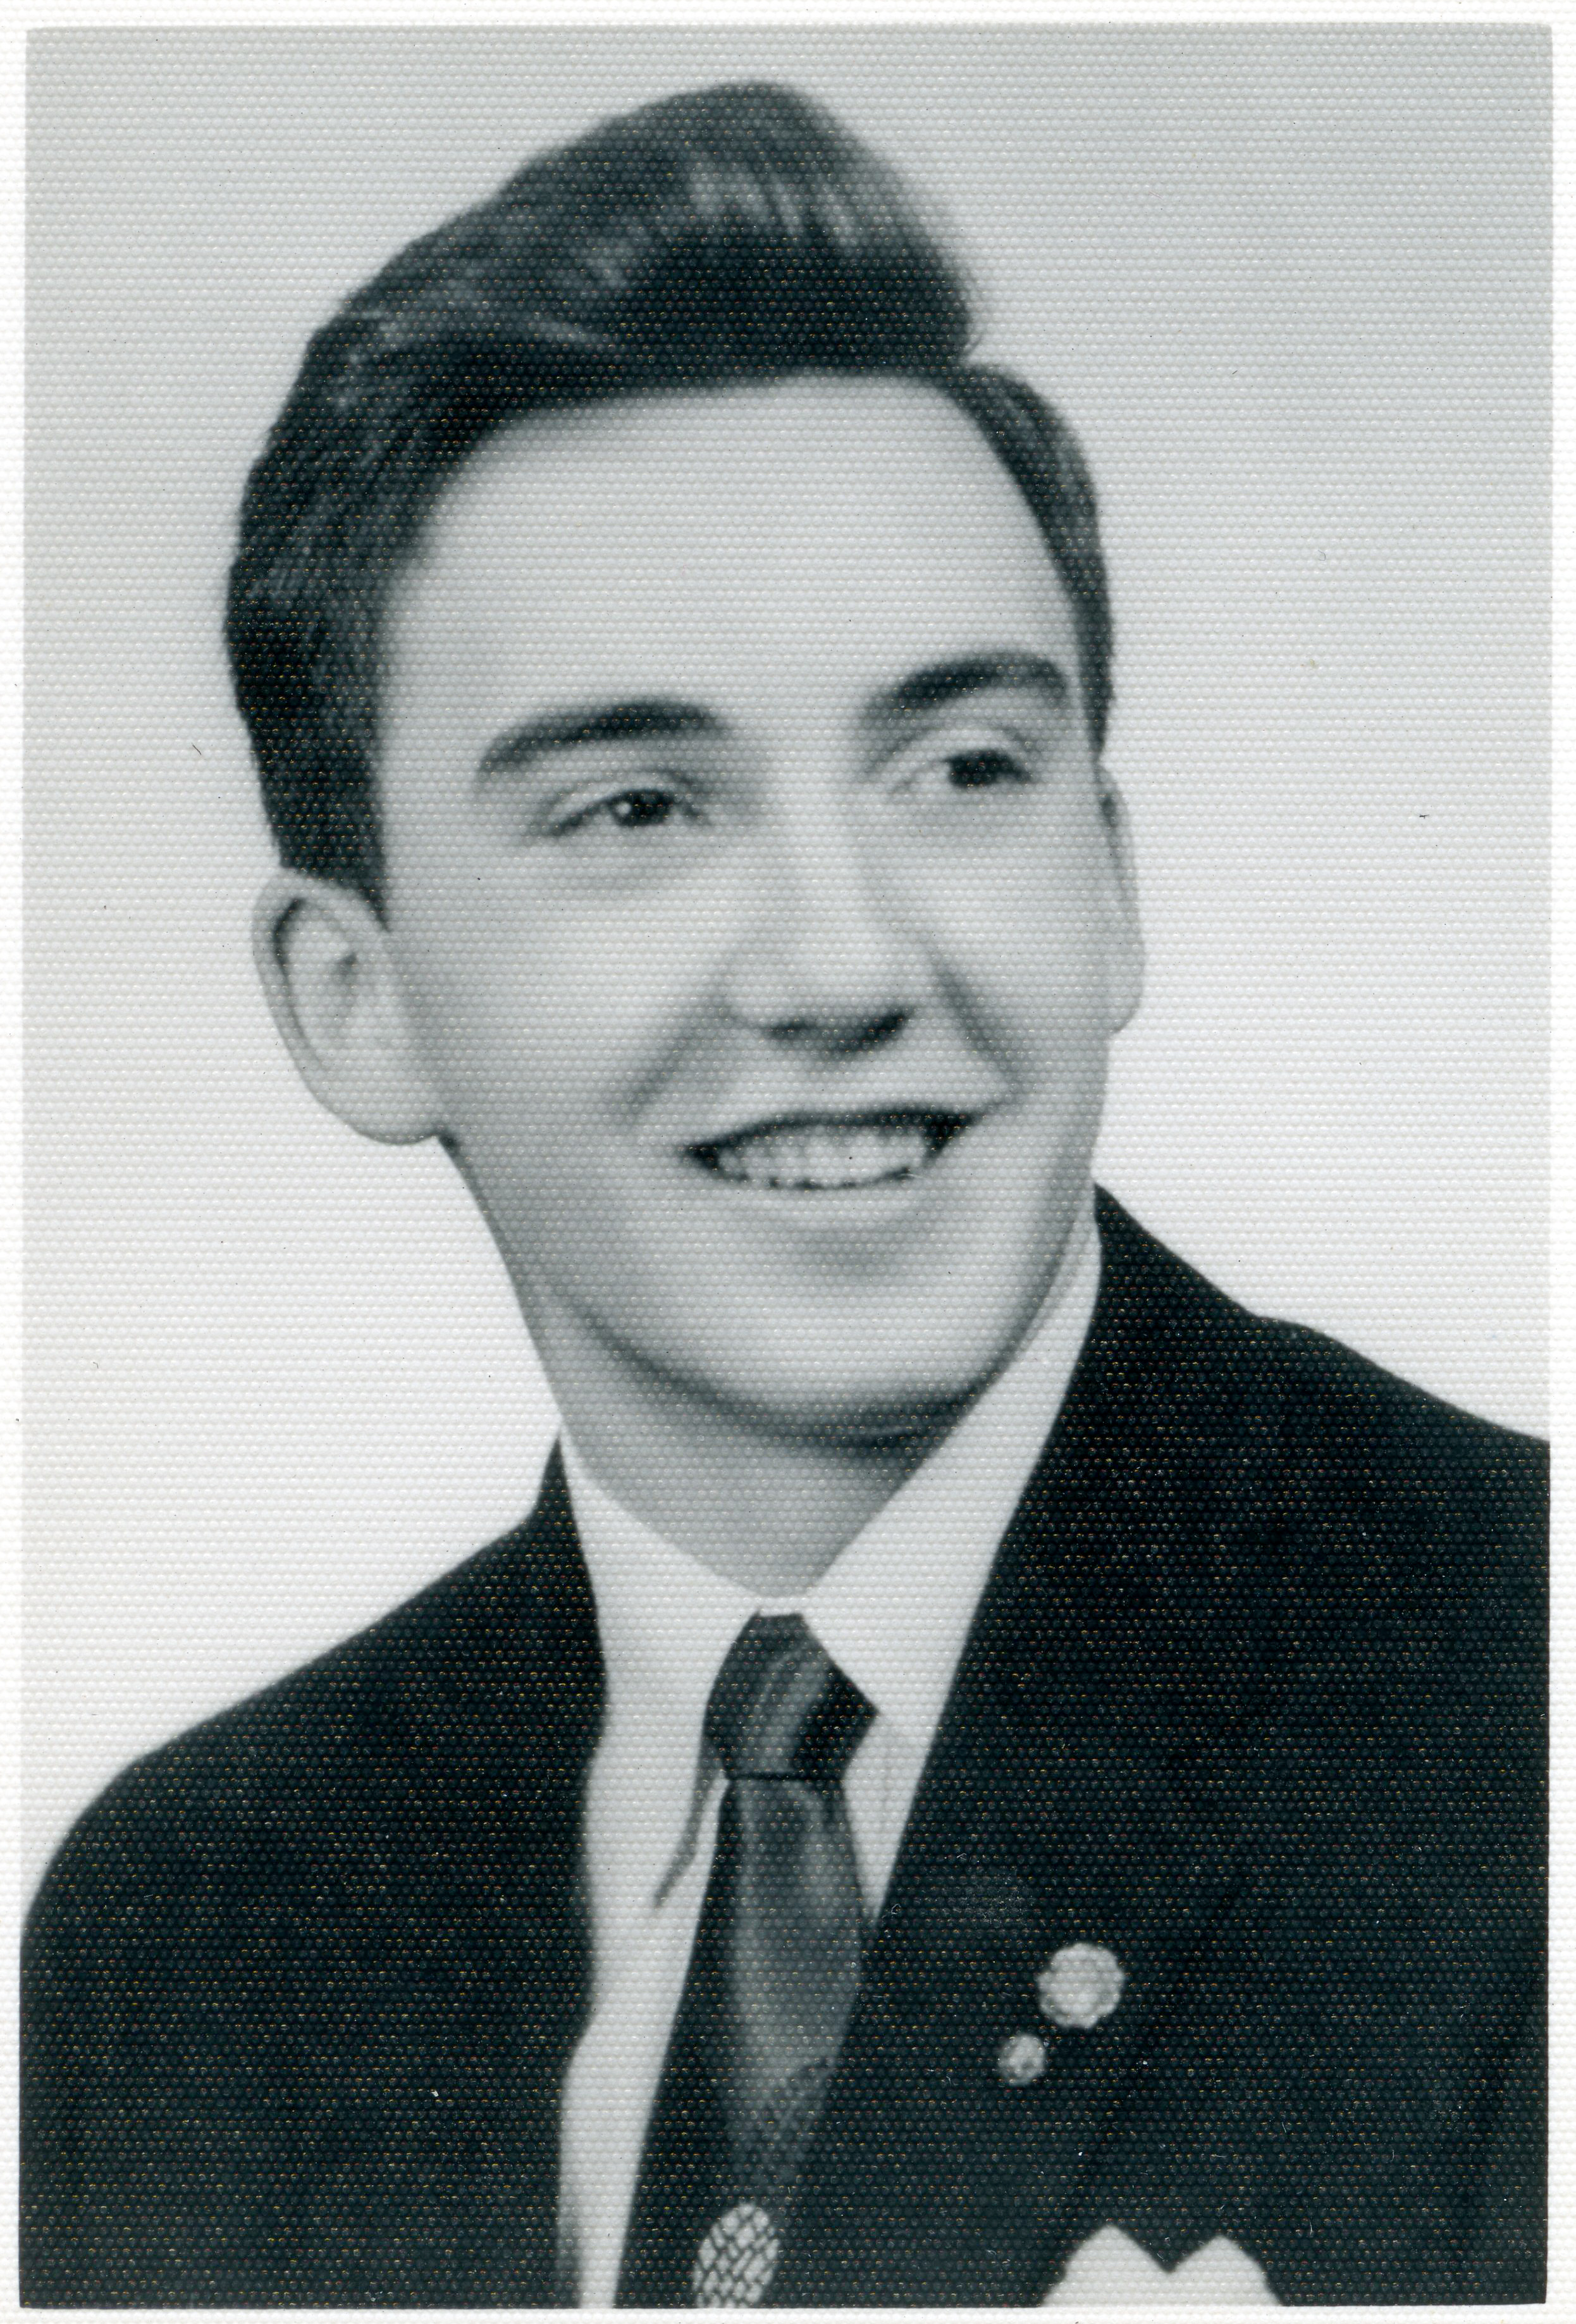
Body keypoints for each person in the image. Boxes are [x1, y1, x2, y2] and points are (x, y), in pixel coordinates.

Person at [22, 81, 1544, 2309]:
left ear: (1107, 883)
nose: (845, 962)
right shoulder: (187, 1933)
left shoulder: (1528, 1719)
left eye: (961, 771)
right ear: (354, 1000)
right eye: (639, 806)